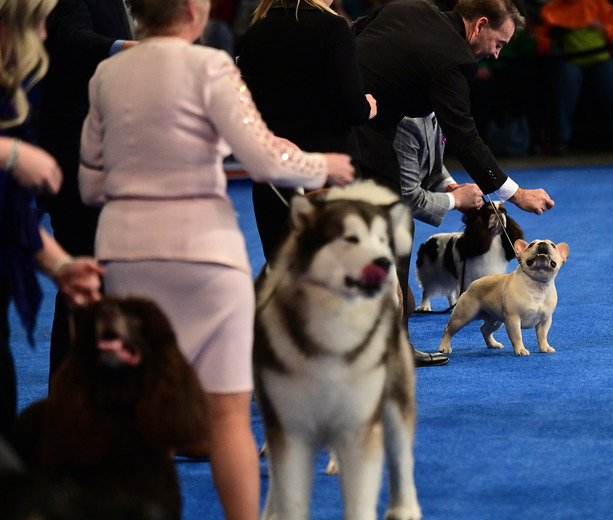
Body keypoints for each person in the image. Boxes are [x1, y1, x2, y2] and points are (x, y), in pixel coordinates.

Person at [77, 1, 354, 519]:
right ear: (190, 11)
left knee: (141, 409)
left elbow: (91, 185)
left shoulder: (106, 75)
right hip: (205, 253)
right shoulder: (213, 66)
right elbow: (263, 156)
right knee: (228, 414)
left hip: (126, 253)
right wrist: (324, 164)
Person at [352, 0, 554, 366]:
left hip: (338, 121)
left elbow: (357, 33)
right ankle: (392, 348)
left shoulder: (411, 8)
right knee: (395, 230)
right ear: (479, 26)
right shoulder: (453, 61)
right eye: (499, 43)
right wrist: (517, 193)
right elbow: (464, 137)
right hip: (361, 136)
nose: (495, 55)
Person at [1, 0, 104, 443]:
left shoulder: (15, 93)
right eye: (36, 24)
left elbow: (11, 217)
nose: (44, 36)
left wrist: (61, 265)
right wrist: (10, 153)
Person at [34, 0, 138, 385]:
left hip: (98, 152)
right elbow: (71, 39)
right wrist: (130, 49)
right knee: (85, 278)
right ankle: (69, 404)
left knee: (98, 277)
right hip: (74, 150)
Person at [237, 0, 376, 262]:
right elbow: (352, 107)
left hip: (274, 173)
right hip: (328, 173)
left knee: (283, 276)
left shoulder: (259, 28)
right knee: (336, 281)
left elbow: (243, 107)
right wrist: (367, 106)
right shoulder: (333, 27)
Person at [534, 0, 613, 154]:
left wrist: (604, 29)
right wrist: (555, 40)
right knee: (565, 78)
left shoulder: (600, 5)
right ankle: (560, 140)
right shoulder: (550, 10)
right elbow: (541, 39)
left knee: (611, 77)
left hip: (601, 58)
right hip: (568, 60)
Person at [394, 114, 483, 227]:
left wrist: (451, 187)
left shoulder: (439, 111)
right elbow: (408, 199)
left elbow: (428, 160)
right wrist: (456, 199)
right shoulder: (408, 122)